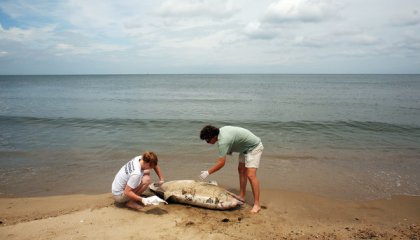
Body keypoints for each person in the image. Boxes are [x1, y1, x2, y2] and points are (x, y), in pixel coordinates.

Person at [199, 125, 264, 213]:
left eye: (208, 140)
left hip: (254, 147)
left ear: (214, 137)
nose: (207, 142)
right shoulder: (220, 133)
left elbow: (221, 163)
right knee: (241, 170)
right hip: (244, 148)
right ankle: (242, 196)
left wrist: (208, 172)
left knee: (251, 175)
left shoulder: (223, 141)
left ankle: (257, 204)